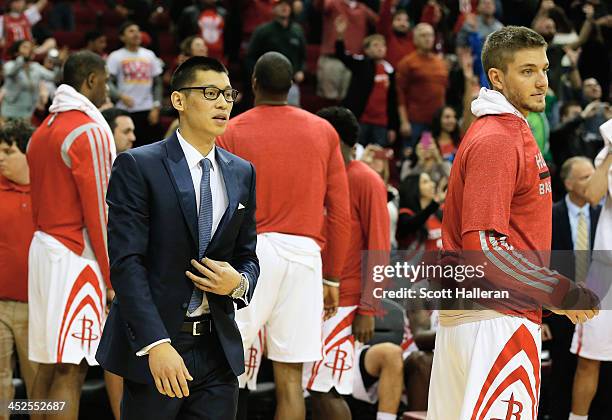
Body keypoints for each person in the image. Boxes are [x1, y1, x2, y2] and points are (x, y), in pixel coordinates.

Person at [427, 26, 599, 420]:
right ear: (497, 77)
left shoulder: (498, 130)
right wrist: (560, 290)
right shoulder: (498, 138)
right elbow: (484, 249)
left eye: (544, 68)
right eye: (527, 71)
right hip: (494, 322)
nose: (542, 81)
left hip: (475, 317)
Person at [96, 56, 259, 420]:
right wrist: (156, 344)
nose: (223, 103)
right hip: (161, 345)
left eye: (228, 94)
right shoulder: (138, 165)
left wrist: (240, 284)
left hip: (218, 346)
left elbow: (248, 254)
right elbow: (126, 264)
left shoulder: (243, 172)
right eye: (210, 92)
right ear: (179, 101)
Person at [217, 52, 350, 420]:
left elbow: (217, 206)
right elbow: (340, 212)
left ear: (254, 84)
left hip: (250, 251)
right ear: (291, 87)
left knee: (222, 365)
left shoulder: (231, 130)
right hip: (305, 255)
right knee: (291, 380)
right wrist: (333, 276)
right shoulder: (324, 131)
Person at [26, 51, 116, 420]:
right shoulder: (88, 130)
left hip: (45, 249)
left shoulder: (43, 130)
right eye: (106, 80)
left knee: (48, 366)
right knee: (72, 367)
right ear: (91, 80)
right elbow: (100, 211)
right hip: (75, 257)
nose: (108, 88)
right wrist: (115, 275)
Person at [301, 106, 390, 420]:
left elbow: (379, 248)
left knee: (324, 389)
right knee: (312, 387)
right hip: (315, 297)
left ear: (347, 144)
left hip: (346, 303)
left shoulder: (367, 181)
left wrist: (368, 309)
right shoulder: (319, 177)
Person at [547, 156, 601, 420]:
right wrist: (542, 314)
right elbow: (540, 264)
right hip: (559, 310)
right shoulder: (550, 214)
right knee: (562, 375)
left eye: (594, 175)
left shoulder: (603, 214)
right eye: (585, 177)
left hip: (596, 306)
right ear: (568, 183)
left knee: (596, 373)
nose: (593, 181)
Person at [569, 120, 612, 420]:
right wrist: (611, 150)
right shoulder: (607, 153)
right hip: (603, 269)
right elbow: (593, 195)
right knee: (588, 359)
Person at [0, 120, 38, 416]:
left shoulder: (48, 193)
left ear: (28, 153)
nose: (0, 157)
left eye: (8, 150)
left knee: (38, 385)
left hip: (35, 309)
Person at [334, 17, 399, 147]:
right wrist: (340, 36)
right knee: (357, 153)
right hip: (361, 120)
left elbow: (392, 101)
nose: (380, 48)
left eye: (383, 45)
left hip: (382, 123)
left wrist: (392, 127)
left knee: (378, 160)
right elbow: (342, 56)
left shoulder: (390, 70)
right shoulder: (361, 64)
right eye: (376, 45)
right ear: (367, 50)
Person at [107, 21, 164, 147]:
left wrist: (156, 106)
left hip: (148, 110)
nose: (136, 34)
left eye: (137, 31)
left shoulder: (149, 55)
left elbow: (157, 83)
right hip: (125, 109)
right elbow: (108, 81)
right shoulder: (116, 56)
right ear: (122, 37)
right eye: (131, 31)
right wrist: (120, 96)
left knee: (150, 148)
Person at [396, 23, 449, 149]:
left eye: (430, 35)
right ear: (415, 39)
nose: (428, 38)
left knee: (433, 157)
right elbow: (400, 94)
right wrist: (404, 121)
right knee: (417, 157)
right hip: (417, 122)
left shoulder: (440, 63)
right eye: (423, 35)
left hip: (437, 122)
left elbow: (444, 90)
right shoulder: (408, 63)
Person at [247, 0, 306, 106]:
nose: (285, 7)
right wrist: (258, 76)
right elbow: (250, 57)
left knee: (292, 118)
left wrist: (301, 70)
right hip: (267, 85)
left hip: (291, 84)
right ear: (272, 8)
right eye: (280, 4)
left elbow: (303, 57)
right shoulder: (263, 31)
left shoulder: (297, 31)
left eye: (287, 4)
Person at [1, 39, 59, 120]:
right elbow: (11, 72)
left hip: (27, 114)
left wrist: (57, 63)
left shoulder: (36, 67)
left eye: (30, 47)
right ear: (16, 52)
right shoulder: (9, 65)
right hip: (9, 113)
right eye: (25, 47)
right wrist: (22, 59)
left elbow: (54, 77)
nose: (29, 49)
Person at [397, 172, 445, 251]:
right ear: (413, 187)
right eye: (425, 182)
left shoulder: (438, 211)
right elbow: (412, 225)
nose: (432, 184)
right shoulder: (405, 213)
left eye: (431, 181)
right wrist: (435, 203)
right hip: (417, 262)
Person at [376, 0, 413, 68]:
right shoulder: (387, 36)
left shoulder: (413, 39)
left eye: (406, 20)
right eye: (398, 19)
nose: (403, 23)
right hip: (391, 75)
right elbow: (384, 17)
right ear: (392, 22)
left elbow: (426, 26)